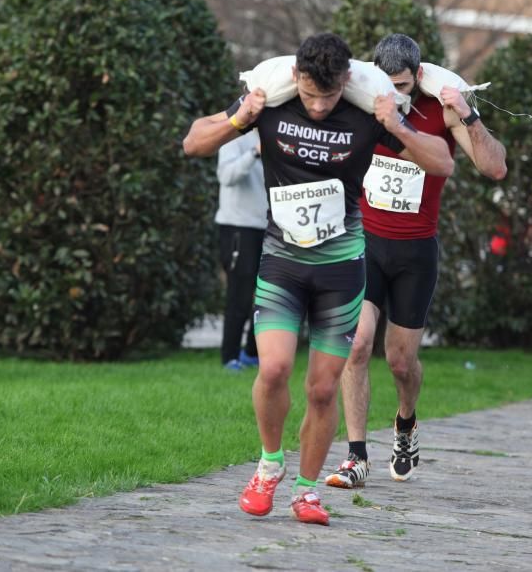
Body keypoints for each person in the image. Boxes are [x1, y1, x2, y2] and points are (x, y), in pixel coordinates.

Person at [183, 33, 453, 526]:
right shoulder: (273, 105)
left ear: (346, 82)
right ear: (295, 79)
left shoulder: (364, 115)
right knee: (274, 370)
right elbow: (192, 142)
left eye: (328, 96)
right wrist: (239, 118)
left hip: (340, 270)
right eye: (310, 95)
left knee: (324, 389)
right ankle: (268, 465)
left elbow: (442, 161)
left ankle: (307, 492)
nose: (319, 106)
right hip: (282, 263)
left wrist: (397, 126)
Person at [324, 34, 506, 490]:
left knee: (401, 362)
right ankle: (356, 455)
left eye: (403, 86)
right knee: (358, 344)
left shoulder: (439, 108)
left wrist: (469, 115)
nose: (394, 95)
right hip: (363, 241)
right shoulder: (365, 100)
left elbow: (495, 168)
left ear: (418, 76)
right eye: (388, 85)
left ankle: (406, 424)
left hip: (414, 252)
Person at [215, 131, 267, 371]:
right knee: (240, 295)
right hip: (238, 227)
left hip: (271, 226)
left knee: (269, 296)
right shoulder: (234, 137)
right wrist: (255, 152)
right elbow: (226, 176)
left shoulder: (281, 130)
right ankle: (230, 357)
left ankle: (252, 353)